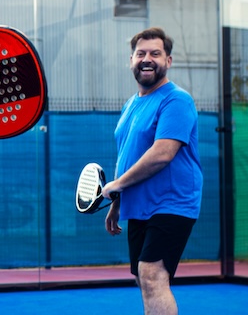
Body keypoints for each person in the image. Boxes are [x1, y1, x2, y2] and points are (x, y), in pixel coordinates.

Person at [101, 27, 202, 315]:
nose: (147, 59)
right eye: (140, 53)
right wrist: (118, 203)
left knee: (152, 275)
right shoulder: (131, 104)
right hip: (139, 206)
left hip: (173, 202)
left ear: (168, 61)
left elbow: (162, 154)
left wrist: (117, 184)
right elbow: (127, 156)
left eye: (155, 53)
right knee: (143, 279)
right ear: (131, 61)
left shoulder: (177, 100)